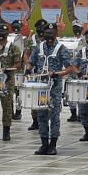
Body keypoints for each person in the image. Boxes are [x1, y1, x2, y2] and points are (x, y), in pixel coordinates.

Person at [26, 22, 75, 155]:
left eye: (51, 34)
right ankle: (43, 144)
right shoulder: (39, 47)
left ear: (57, 34)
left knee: (54, 116)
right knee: (41, 115)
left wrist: (59, 74)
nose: (48, 35)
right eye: (47, 33)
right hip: (41, 86)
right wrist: (28, 70)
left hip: (54, 87)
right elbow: (31, 61)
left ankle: (53, 144)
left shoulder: (61, 48)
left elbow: (69, 67)